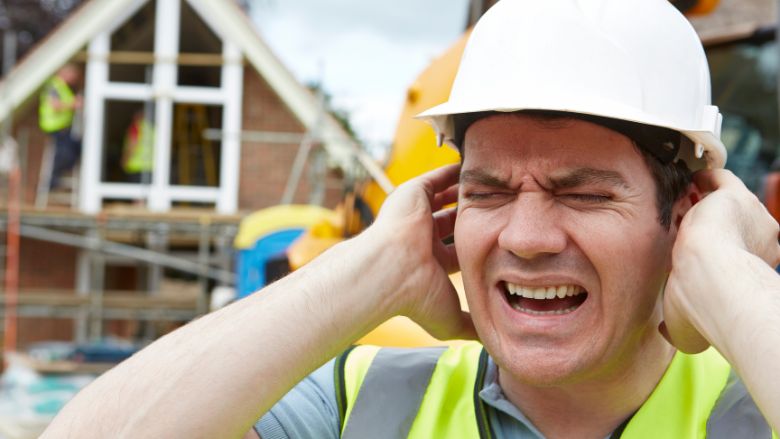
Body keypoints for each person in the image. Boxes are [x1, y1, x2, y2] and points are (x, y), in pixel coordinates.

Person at [42, 0, 780, 437]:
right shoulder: (364, 403)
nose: (523, 238)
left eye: (584, 194)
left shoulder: (751, 399)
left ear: (686, 212)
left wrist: (732, 281)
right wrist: (373, 268)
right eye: (488, 190)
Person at [39, 63, 83, 189]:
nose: (74, 79)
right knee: (65, 152)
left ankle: (59, 176)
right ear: (65, 73)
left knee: (76, 147)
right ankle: (52, 182)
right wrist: (74, 104)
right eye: (73, 75)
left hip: (63, 128)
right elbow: (55, 105)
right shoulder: (54, 85)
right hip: (54, 127)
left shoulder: (64, 87)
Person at [121, 110, 155, 184]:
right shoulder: (152, 129)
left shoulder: (136, 127)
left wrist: (125, 160)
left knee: (136, 193)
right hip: (151, 167)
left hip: (136, 167)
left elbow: (133, 144)